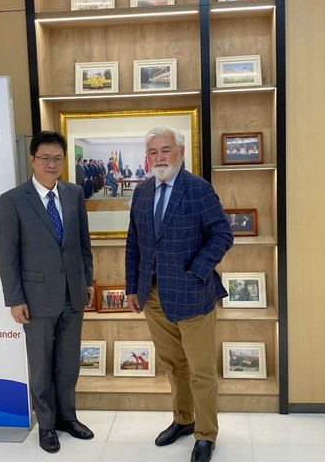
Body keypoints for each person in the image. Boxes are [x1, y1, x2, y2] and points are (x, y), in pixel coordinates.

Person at [125, 126, 233, 462]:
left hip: (193, 295)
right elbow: (134, 242)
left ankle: (206, 434)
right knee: (173, 365)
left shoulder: (198, 189)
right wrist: (132, 287)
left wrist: (197, 270)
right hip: (152, 295)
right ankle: (184, 419)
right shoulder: (143, 192)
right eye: (153, 152)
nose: (159, 157)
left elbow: (222, 233)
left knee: (201, 370)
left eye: (166, 150)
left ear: (181, 153)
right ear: (147, 157)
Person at [0, 131, 95, 454]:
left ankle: (68, 418)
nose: (51, 164)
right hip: (35, 298)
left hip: (73, 293)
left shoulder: (74, 193)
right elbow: (7, 255)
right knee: (41, 365)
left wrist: (87, 281)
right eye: (45, 158)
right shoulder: (13, 199)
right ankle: (47, 425)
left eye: (57, 158)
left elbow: (83, 244)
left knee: (68, 363)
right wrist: (14, 299)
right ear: (32, 160)